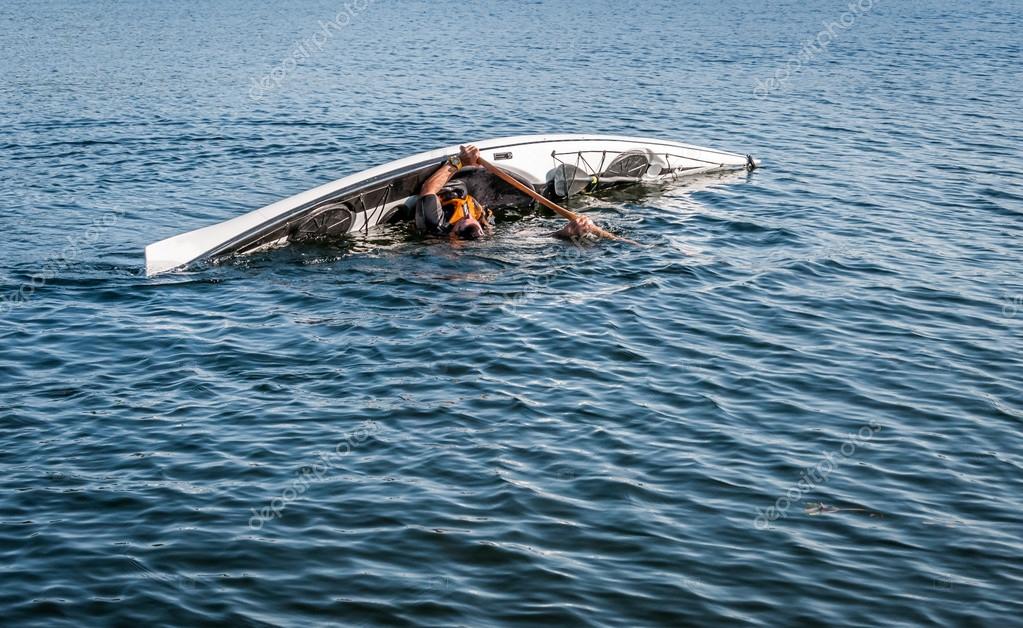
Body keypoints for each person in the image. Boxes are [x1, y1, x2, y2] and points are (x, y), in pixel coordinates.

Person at [415, 145, 596, 240]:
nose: (467, 215)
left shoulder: (437, 225)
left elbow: (428, 189)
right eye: (469, 219)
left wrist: (458, 161)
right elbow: (534, 237)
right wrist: (567, 232)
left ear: (454, 234)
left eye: (463, 221)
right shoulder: (490, 234)